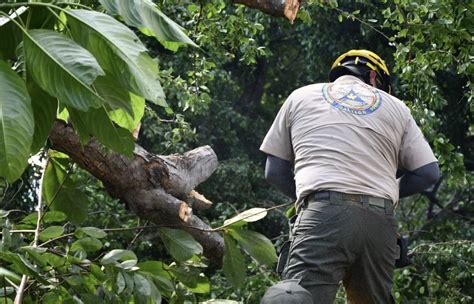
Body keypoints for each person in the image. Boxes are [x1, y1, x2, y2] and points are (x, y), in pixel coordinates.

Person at [260, 50, 439, 303]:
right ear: (374, 77)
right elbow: (428, 173)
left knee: (297, 298)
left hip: (322, 215)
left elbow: (274, 171)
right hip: (380, 223)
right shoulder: (398, 108)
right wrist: (385, 193)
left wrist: (317, 202)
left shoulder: (300, 96)